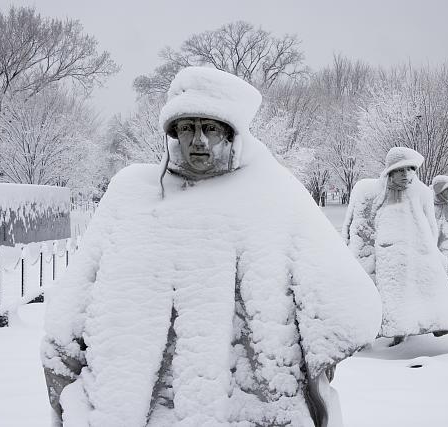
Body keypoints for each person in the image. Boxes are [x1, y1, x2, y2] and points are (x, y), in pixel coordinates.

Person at [41, 67, 381, 427]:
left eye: (211, 128)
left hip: (244, 397)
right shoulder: (132, 193)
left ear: (230, 134)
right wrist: (65, 347)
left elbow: (341, 294)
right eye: (187, 128)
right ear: (173, 135)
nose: (199, 140)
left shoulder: (271, 191)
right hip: (148, 399)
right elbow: (79, 292)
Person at [342, 147, 448, 347]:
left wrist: (429, 251)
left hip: (417, 252)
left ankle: (419, 331)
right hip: (389, 254)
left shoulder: (422, 193)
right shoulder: (378, 193)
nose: (406, 174)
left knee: (419, 296)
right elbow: (367, 223)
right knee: (392, 298)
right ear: (390, 171)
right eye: (400, 170)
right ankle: (394, 336)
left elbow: (431, 226)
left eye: (410, 169)